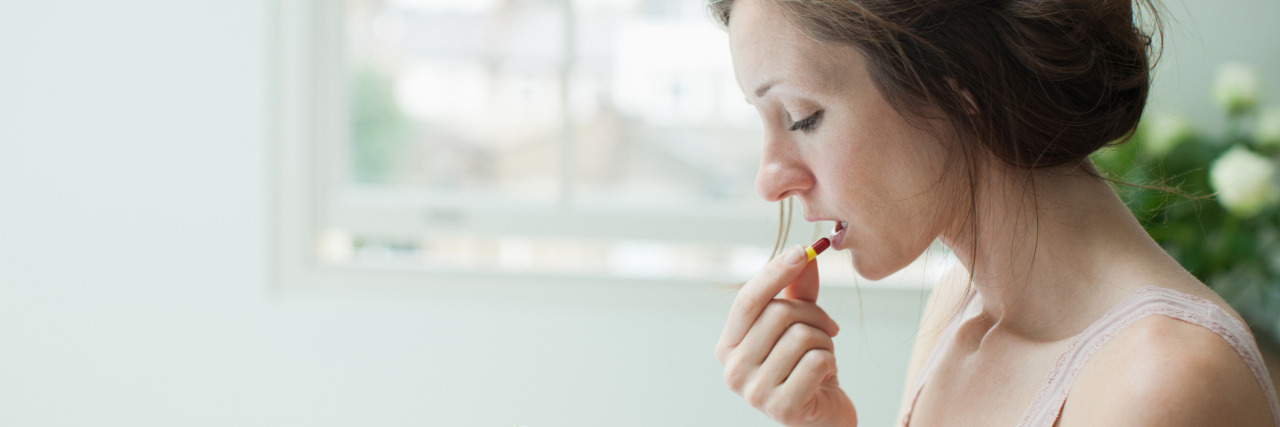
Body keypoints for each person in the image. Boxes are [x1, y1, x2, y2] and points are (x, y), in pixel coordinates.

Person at [709, 0, 1280, 426]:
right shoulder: (955, 307)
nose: (770, 180)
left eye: (802, 116)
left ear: (958, 85)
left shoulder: (1162, 383)